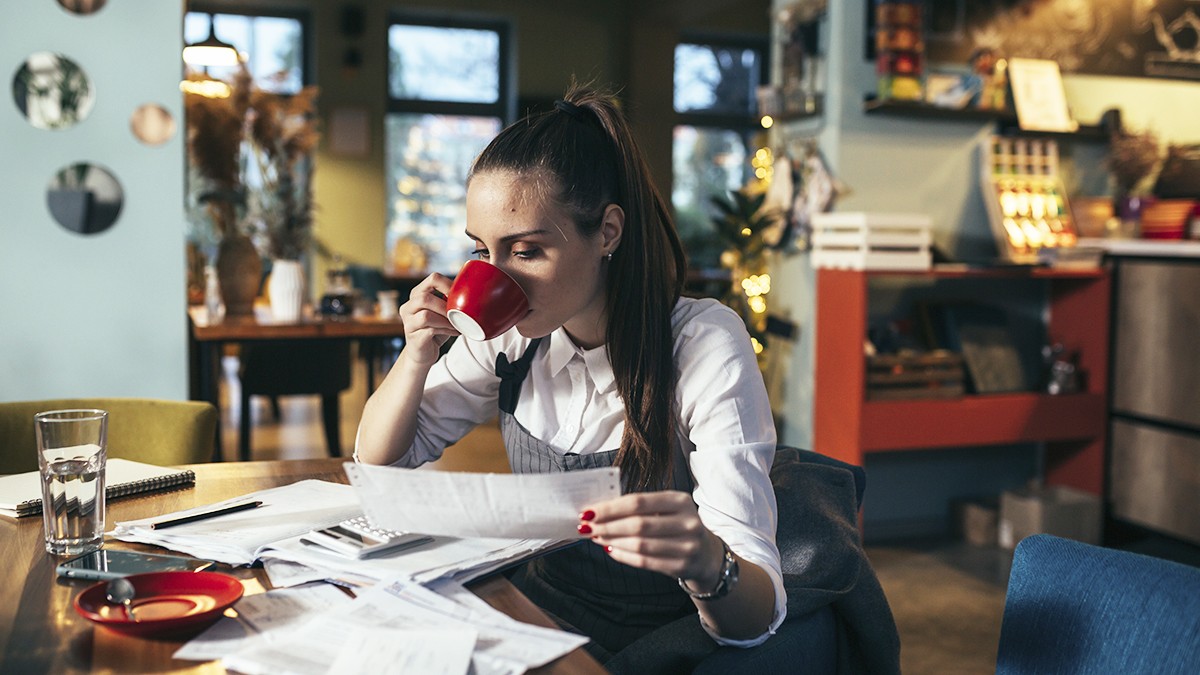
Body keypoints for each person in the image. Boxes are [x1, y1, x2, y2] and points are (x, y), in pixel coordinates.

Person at [355, 85, 785, 663]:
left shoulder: (702, 343)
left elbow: (754, 619)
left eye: (526, 251)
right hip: (534, 618)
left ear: (607, 231)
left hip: (656, 642)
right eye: (482, 252)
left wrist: (709, 562)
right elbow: (381, 463)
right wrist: (415, 356)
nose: (497, 278)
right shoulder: (510, 335)